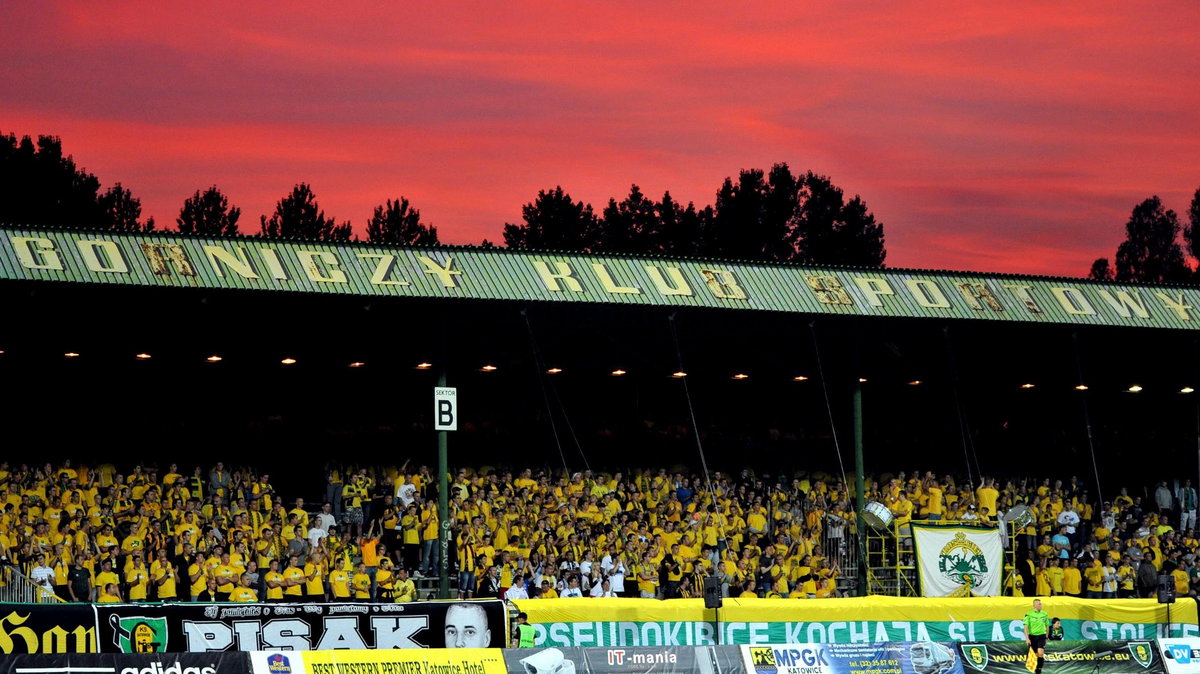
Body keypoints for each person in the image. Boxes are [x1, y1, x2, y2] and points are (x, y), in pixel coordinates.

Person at [1024, 598, 1049, 674]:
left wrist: (1046, 636)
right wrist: (1027, 638)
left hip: (1041, 636)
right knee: (1036, 654)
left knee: (1040, 652)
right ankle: (1034, 666)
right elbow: (1025, 627)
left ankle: (1039, 669)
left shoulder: (1044, 614)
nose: (1041, 605)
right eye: (1039, 604)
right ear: (1034, 605)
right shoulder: (1028, 614)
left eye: (1041, 604)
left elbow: (1047, 625)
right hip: (1032, 636)